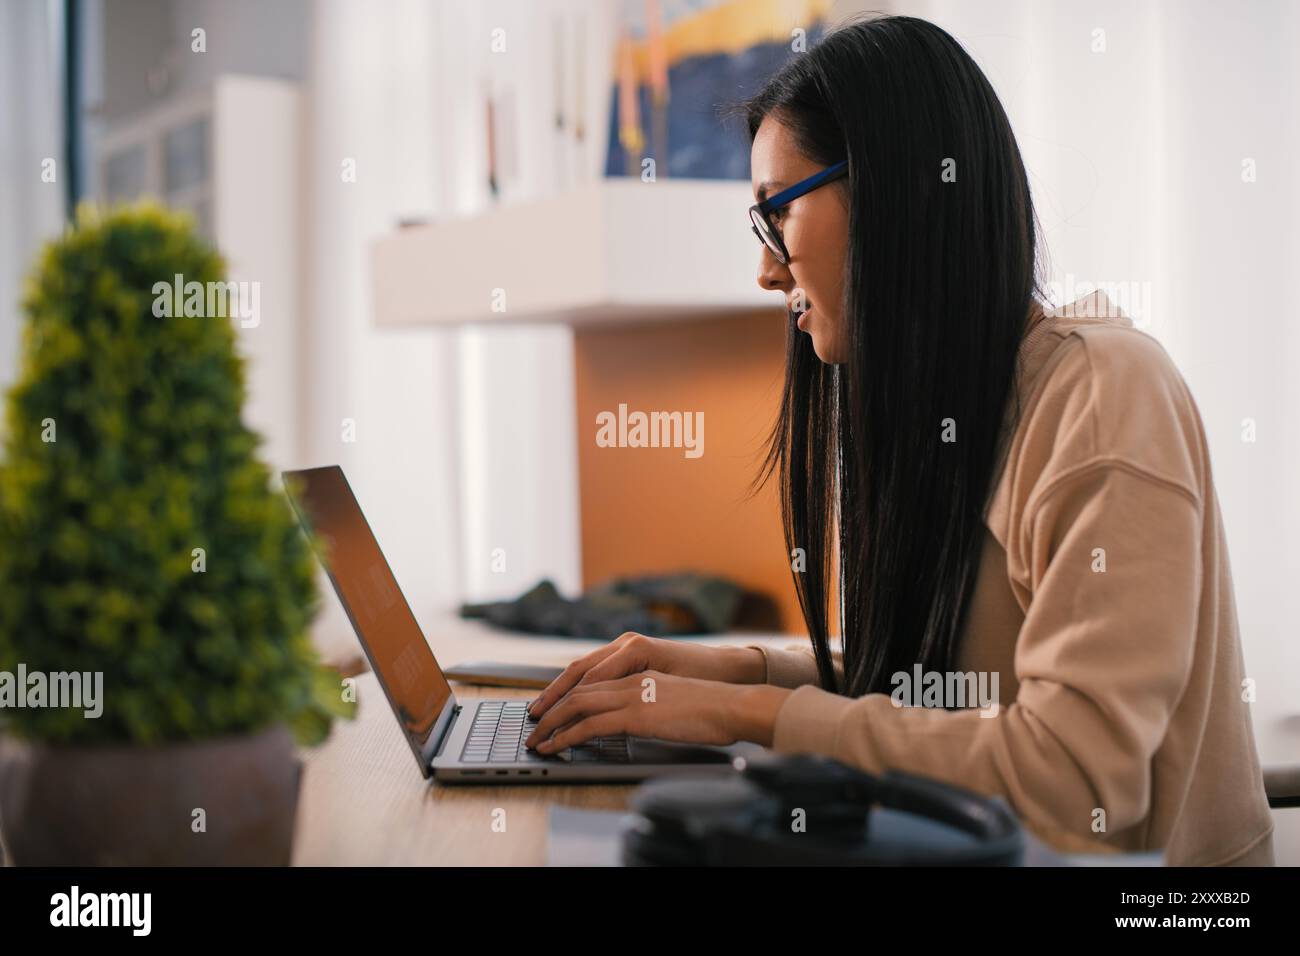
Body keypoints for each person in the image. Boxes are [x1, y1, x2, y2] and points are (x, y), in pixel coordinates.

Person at [526, 14, 1273, 866]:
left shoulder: (1101, 394)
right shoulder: (955, 408)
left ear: (903, 189)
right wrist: (734, 672)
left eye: (778, 213)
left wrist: (748, 716)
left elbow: (1076, 783)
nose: (767, 270)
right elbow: (940, 688)